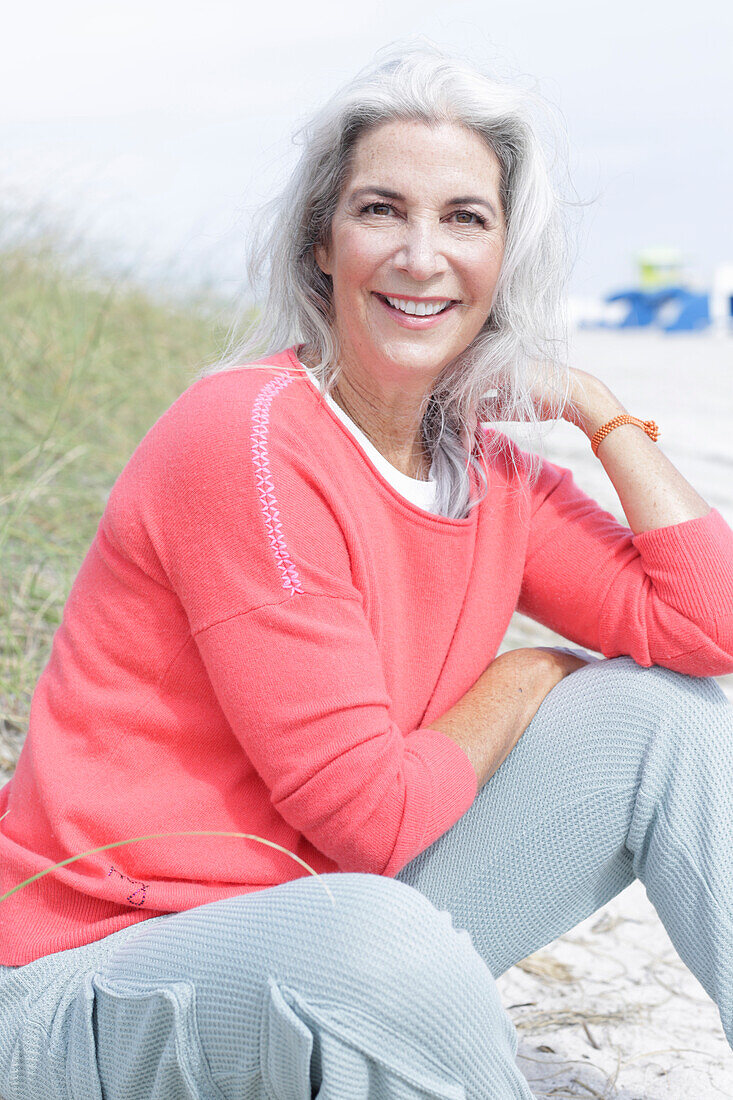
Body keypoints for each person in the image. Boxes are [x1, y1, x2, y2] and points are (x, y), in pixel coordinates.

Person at [1, 39, 732, 1100]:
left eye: (464, 219)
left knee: (665, 716)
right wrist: (525, 674)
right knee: (380, 937)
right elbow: (370, 819)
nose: (421, 255)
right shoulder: (244, 438)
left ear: (504, 258)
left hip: (316, 920)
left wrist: (595, 408)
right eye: (381, 210)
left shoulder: (488, 470)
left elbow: (707, 623)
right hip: (87, 971)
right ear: (322, 244)